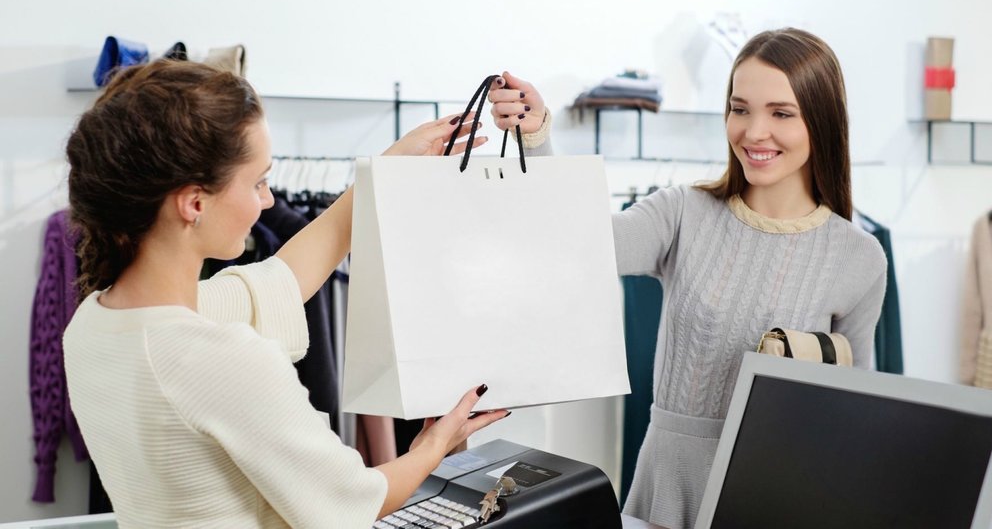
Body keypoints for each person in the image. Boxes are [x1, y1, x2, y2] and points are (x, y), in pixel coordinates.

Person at [62, 60, 508, 528]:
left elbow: (280, 281)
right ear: (194, 203)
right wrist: (433, 447)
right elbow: (351, 501)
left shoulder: (94, 325)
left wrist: (387, 168)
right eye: (258, 181)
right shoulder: (219, 359)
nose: (270, 200)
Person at [488, 28, 888, 528]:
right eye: (740, 109)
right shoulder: (683, 212)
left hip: (779, 498)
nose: (754, 132)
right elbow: (580, 242)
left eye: (781, 113)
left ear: (821, 121)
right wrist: (537, 137)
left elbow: (854, 416)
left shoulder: (859, 257)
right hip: (668, 489)